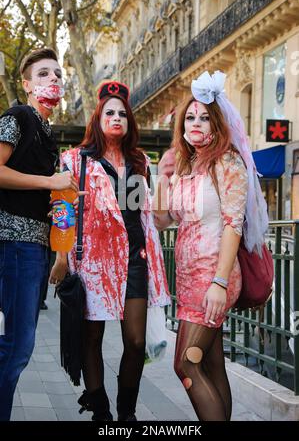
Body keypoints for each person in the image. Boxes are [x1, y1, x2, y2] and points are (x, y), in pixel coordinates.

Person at [49, 81, 170, 421]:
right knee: (92, 336)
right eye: (109, 112)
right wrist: (61, 258)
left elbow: (152, 215)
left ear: (129, 121)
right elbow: (62, 211)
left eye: (122, 113)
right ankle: (101, 411)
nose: (116, 117)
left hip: (135, 259)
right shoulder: (75, 160)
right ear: (98, 118)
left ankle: (126, 413)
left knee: (134, 341)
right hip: (93, 262)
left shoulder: (141, 161)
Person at [153, 70, 268, 421]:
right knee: (211, 364)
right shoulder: (187, 167)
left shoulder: (228, 162)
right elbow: (162, 220)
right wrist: (161, 175)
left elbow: (234, 223)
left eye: (204, 116)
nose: (196, 122)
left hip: (213, 279)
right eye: (190, 117)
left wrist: (219, 283)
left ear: (217, 123)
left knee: (186, 364)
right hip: (188, 282)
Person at [0, 48, 78, 421]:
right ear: (27, 85)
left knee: (18, 348)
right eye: (44, 74)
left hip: (33, 246)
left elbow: (30, 186)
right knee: (17, 347)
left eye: (58, 74)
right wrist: (48, 181)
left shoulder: (46, 132)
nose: (54, 80)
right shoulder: (18, 116)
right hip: (14, 243)